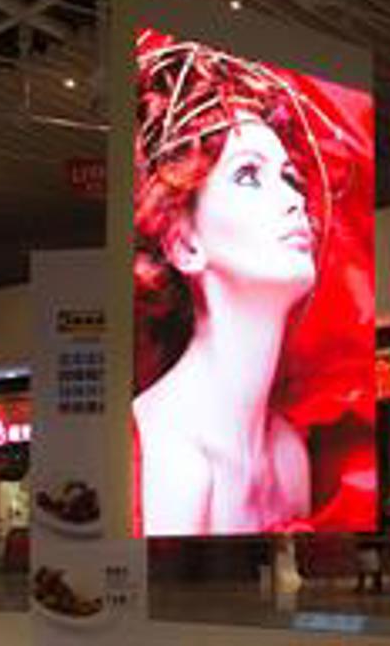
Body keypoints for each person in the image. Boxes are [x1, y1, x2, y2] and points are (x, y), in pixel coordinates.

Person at [132, 30, 373, 536]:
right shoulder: (171, 459)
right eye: (248, 175)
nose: (292, 200)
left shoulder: (287, 452)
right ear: (184, 245)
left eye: (289, 177)